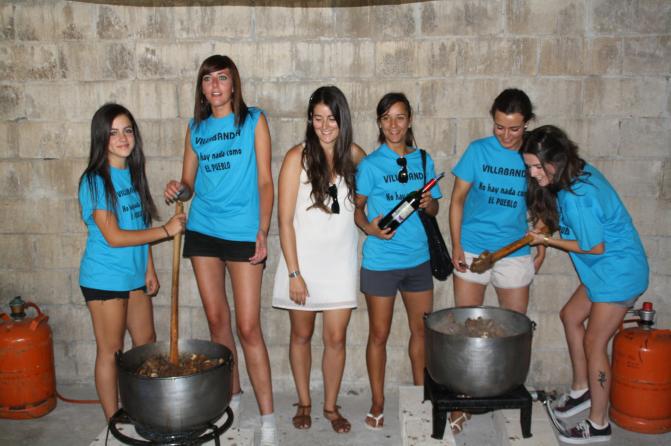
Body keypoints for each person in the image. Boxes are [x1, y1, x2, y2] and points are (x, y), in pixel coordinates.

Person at [163, 55, 276, 445]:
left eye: (222, 78)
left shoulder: (254, 120)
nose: (214, 86)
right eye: (208, 79)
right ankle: (234, 396)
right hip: (203, 230)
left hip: (243, 231)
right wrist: (178, 189)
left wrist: (263, 230)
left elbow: (265, 182)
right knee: (217, 321)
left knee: (248, 327)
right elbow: (189, 184)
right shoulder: (195, 128)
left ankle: (268, 419)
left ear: (233, 84)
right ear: (202, 87)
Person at [522, 125, 649, 444]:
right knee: (570, 316)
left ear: (556, 160)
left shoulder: (580, 196)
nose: (533, 174)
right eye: (529, 167)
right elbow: (557, 213)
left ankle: (598, 424)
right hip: (603, 271)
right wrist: (542, 229)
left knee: (595, 343)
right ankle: (582, 390)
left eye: (537, 166)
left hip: (618, 273)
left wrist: (547, 241)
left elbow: (593, 247)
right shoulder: (573, 174)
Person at [78, 103, 186, 420]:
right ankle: (114, 418)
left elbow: (138, 224)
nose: (122, 138)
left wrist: (149, 268)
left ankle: (142, 407)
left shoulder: (133, 174)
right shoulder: (95, 180)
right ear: (101, 138)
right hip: (104, 278)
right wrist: (166, 230)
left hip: (134, 275)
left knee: (146, 343)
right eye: (113, 133)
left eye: (127, 130)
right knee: (111, 351)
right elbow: (113, 236)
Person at [447, 88, 545, 433]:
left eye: (514, 128)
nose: (506, 135)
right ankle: (462, 400)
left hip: (514, 253)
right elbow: (457, 200)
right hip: (473, 249)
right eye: (499, 126)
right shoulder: (478, 151)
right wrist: (456, 245)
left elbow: (544, 201)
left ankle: (506, 393)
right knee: (466, 330)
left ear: (527, 123)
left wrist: (543, 242)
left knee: (514, 330)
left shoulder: (533, 156)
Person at [272, 86, 366, 434]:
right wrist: (294, 273)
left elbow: (373, 194)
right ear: (310, 120)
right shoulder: (296, 157)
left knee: (336, 338)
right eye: (317, 118)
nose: (325, 126)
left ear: (343, 120)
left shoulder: (355, 155)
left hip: (340, 263)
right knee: (301, 334)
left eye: (332, 119)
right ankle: (304, 402)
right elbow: (284, 221)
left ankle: (330, 406)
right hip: (303, 264)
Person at [354, 92, 442, 430]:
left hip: (418, 260)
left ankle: (423, 395)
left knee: (422, 332)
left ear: (409, 121)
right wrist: (369, 229)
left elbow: (434, 208)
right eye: (387, 118)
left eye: (400, 117)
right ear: (379, 123)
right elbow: (357, 209)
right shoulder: (370, 164)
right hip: (381, 262)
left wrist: (429, 204)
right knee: (379, 334)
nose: (394, 125)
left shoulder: (423, 160)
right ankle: (378, 401)